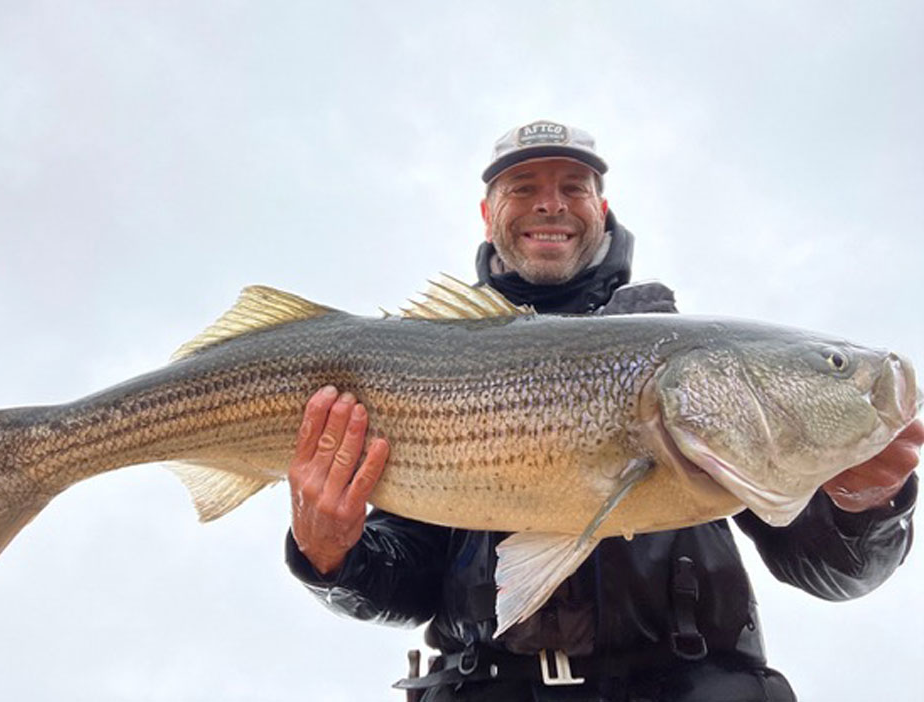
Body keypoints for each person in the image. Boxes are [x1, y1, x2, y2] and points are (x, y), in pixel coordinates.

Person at [284, 120, 922, 701]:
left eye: (574, 187)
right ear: (487, 214)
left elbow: (835, 573)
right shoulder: (425, 365)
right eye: (523, 187)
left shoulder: (696, 363)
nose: (551, 203)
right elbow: (406, 579)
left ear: (602, 208)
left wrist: (867, 506)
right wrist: (331, 556)